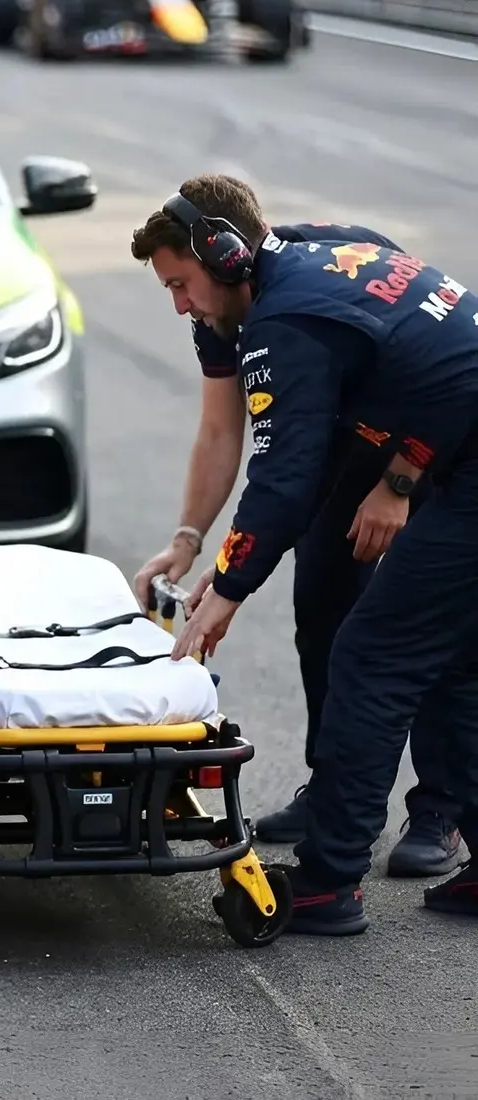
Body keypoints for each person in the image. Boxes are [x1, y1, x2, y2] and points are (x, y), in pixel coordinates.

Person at [137, 180, 478, 934]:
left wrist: (226, 587)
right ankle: (356, 813)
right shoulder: (315, 253)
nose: (179, 305)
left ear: (223, 256)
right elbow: (237, 438)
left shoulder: (283, 327)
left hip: (451, 452)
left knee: (375, 655)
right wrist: (193, 543)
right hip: (437, 439)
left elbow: (283, 480)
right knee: (434, 645)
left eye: (181, 285)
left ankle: (329, 883)